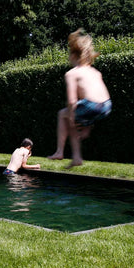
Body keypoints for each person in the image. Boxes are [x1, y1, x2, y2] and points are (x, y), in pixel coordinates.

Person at [47, 29, 112, 169]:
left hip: (92, 105)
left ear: (73, 55)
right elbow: (90, 100)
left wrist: (71, 118)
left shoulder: (72, 73)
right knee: (81, 113)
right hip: (107, 106)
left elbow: (72, 101)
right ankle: (86, 131)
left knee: (65, 115)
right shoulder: (95, 72)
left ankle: (62, 152)